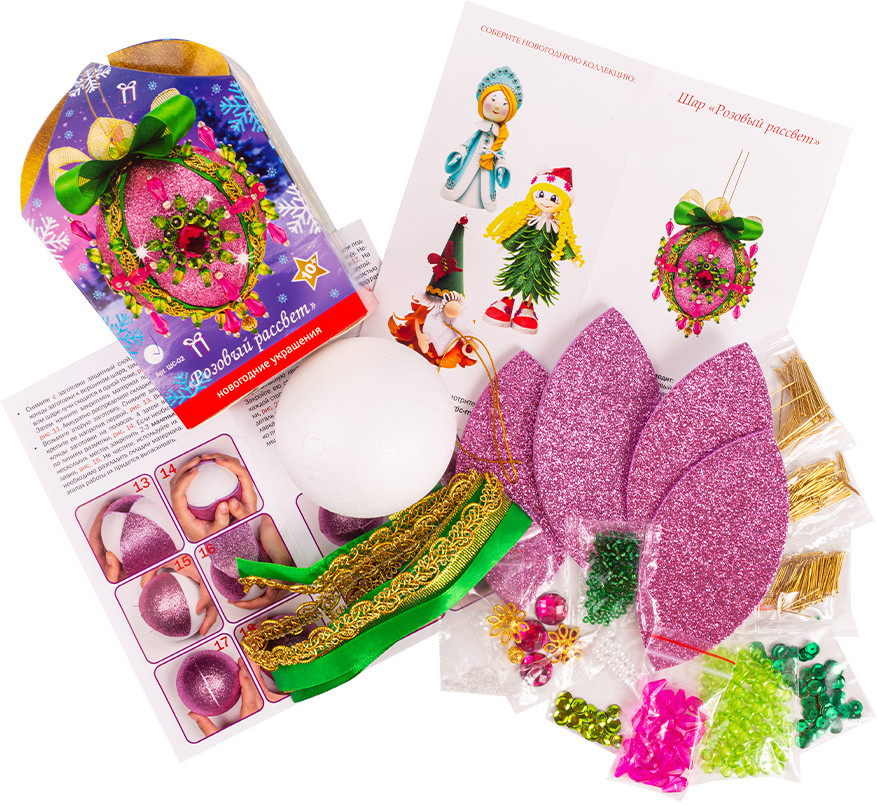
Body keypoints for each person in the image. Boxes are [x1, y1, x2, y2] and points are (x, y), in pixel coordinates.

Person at [483, 168, 585, 335]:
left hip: (542, 263)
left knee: (536, 282)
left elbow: (562, 243)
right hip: (524, 259)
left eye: (553, 198)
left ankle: (527, 309)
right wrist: (507, 244)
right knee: (517, 276)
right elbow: (520, 233)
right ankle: (506, 303)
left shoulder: (556, 228)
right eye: (541, 195)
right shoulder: (532, 221)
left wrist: (571, 256)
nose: (546, 201)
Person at [440, 66, 524, 212]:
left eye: (504, 104)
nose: (497, 106)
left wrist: (501, 166)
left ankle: (481, 202)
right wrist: (460, 154)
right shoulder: (481, 131)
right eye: (493, 99)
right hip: (469, 165)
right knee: (464, 180)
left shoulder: (499, 137)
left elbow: (499, 152)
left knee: (483, 187)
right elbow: (468, 144)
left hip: (487, 170)